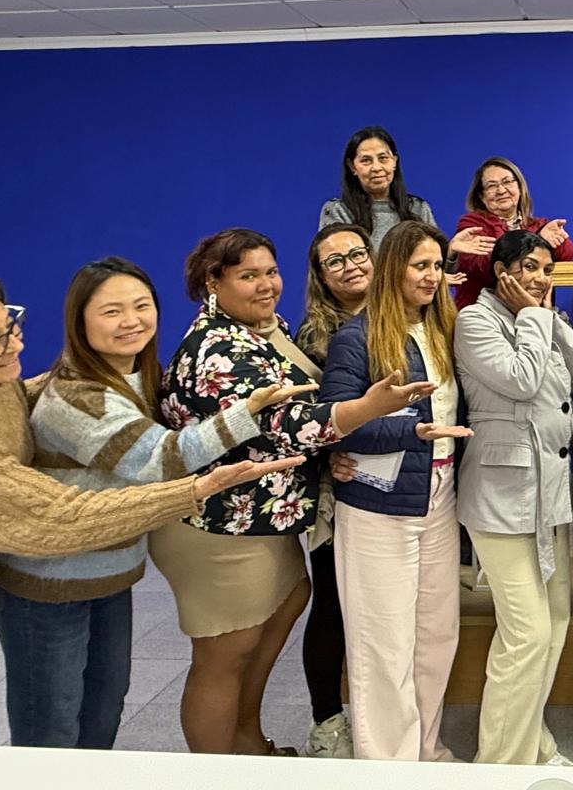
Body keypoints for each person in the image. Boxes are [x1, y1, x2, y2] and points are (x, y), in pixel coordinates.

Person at [0, 271, 296, 746]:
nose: (15, 345)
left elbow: (20, 405)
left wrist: (80, 378)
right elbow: (59, 518)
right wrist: (192, 490)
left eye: (10, 326)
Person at [0, 258, 311, 750]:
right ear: (79, 320)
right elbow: (160, 458)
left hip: (109, 575)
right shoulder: (80, 397)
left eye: (141, 306)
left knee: (102, 709)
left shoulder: (137, 376)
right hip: (50, 586)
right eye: (111, 311)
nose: (131, 321)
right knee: (50, 728)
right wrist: (246, 412)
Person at [151, 228, 426, 756]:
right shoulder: (216, 348)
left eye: (270, 272)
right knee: (223, 656)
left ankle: (249, 744)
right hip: (218, 524)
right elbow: (283, 424)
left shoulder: (265, 329)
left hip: (264, 516)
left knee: (266, 628)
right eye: (248, 276)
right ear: (213, 282)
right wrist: (366, 410)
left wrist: (334, 445)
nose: (266, 285)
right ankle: (215, 771)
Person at [320, 220, 472, 762]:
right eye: (419, 266)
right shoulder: (357, 337)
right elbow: (336, 423)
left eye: (437, 266)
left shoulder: (444, 329)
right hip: (377, 506)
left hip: (439, 496)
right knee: (382, 644)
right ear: (392, 269)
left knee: (436, 635)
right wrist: (412, 432)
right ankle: (389, 765)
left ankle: (425, 750)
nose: (431, 276)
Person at [454, 229, 573, 766]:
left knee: (555, 622)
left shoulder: (542, 317)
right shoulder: (475, 321)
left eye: (547, 270)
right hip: (502, 496)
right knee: (527, 633)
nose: (539, 278)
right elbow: (522, 380)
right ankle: (499, 766)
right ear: (502, 271)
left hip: (550, 494)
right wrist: (535, 317)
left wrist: (549, 318)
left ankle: (532, 743)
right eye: (529, 267)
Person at [293, 222, 376, 759]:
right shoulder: (314, 337)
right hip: (337, 486)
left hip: (406, 484)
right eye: (335, 261)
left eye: (357, 253)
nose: (350, 266)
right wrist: (330, 453)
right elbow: (306, 417)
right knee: (333, 602)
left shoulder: (409, 314)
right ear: (321, 276)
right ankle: (326, 719)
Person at [317, 125, 491, 273]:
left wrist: (451, 251)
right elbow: (339, 271)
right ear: (352, 167)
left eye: (383, 158)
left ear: (394, 161)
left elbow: (440, 271)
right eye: (366, 161)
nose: (376, 167)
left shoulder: (417, 208)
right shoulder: (338, 211)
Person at [452, 156, 573, 308]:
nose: (501, 190)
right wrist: (538, 242)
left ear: (519, 188)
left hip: (533, 309)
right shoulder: (472, 224)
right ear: (481, 196)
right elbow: (484, 267)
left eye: (507, 182)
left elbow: (567, 253)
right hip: (485, 311)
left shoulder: (538, 225)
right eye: (492, 186)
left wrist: (546, 240)